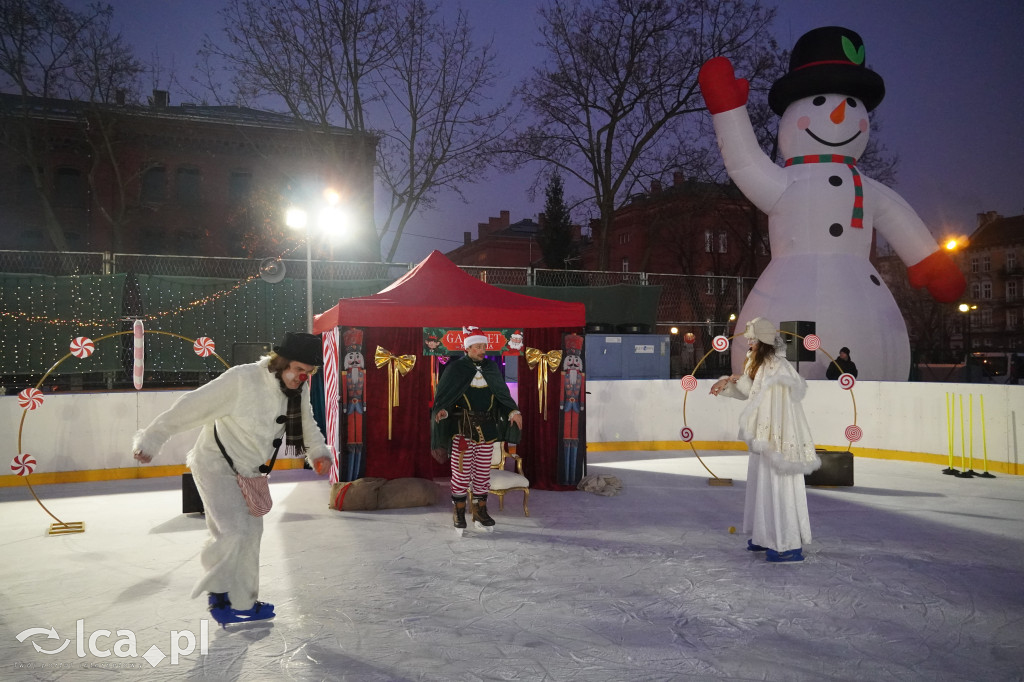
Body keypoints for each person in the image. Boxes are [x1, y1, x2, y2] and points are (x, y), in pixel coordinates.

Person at [132, 332, 332, 624]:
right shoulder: (242, 380)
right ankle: (219, 595)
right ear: (283, 361)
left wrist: (318, 452)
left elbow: (305, 422)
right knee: (234, 530)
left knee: (251, 534)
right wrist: (152, 438)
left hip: (250, 470)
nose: (303, 378)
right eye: (300, 370)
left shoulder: (295, 391)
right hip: (215, 464)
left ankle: (244, 601)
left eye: (309, 373)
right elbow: (192, 406)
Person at [710, 318, 821, 562]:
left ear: (765, 341)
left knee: (778, 486)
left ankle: (786, 543)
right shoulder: (759, 364)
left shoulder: (777, 367)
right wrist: (726, 383)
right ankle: (764, 535)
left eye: (753, 338)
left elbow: (777, 405)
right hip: (763, 436)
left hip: (777, 438)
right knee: (762, 485)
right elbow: (752, 391)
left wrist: (770, 435)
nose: (749, 342)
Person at [430, 326, 522, 532]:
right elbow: (445, 398)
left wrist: (513, 411)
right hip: (462, 430)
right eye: (478, 346)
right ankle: (459, 511)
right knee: (461, 473)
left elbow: (502, 395)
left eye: (484, 346)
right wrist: (443, 412)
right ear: (468, 348)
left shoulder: (491, 368)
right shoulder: (456, 369)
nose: (482, 350)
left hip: (487, 430)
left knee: (482, 473)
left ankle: (480, 511)